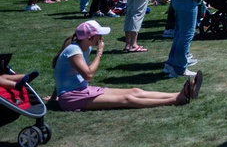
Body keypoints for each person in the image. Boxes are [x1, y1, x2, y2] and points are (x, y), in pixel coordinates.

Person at [53, 20, 200, 111]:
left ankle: (180, 94)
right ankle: (177, 100)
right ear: (90, 37)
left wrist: (55, 96)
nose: (102, 38)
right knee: (127, 99)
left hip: (82, 91)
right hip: (73, 98)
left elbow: (62, 74)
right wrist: (100, 52)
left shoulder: (84, 47)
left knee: (134, 91)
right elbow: (88, 75)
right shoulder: (74, 50)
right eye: (99, 35)